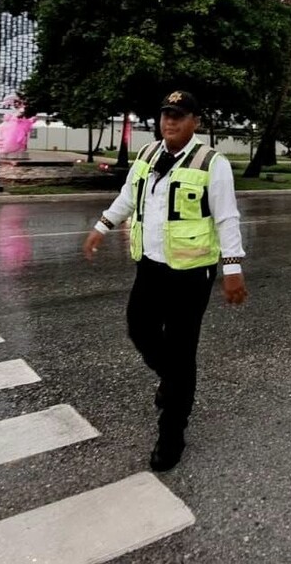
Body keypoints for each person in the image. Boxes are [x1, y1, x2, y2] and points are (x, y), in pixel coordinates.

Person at [83, 89, 247, 471]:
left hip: (191, 275)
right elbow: (128, 196)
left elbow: (226, 218)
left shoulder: (212, 163)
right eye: (166, 114)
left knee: (181, 350)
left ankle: (172, 434)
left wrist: (233, 268)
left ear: (195, 122)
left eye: (179, 115)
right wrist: (102, 226)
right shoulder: (147, 155)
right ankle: (172, 380)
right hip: (151, 267)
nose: (170, 121)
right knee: (139, 328)